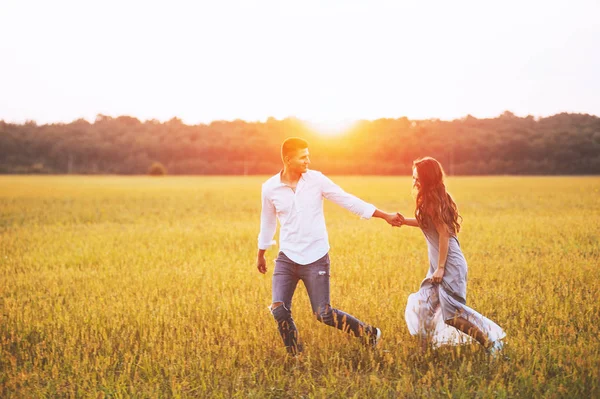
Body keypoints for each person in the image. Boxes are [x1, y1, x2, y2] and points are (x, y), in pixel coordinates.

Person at [257, 137, 403, 355]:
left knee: (323, 313)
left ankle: (369, 334)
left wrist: (384, 216)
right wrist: (261, 253)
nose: (308, 160)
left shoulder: (316, 180)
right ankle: (296, 355)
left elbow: (347, 200)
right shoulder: (270, 188)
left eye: (308, 155)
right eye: (303, 157)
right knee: (279, 309)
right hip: (287, 256)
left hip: (316, 256)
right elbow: (267, 222)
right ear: (288, 159)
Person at [401, 157, 505, 354]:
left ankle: (491, 344)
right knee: (422, 306)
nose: (414, 181)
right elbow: (427, 223)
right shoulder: (430, 197)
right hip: (439, 264)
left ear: (428, 178)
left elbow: (443, 234)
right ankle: (423, 352)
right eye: (413, 177)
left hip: (449, 265)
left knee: (452, 316)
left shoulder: (433, 199)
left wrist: (440, 268)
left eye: (417, 178)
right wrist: (404, 221)